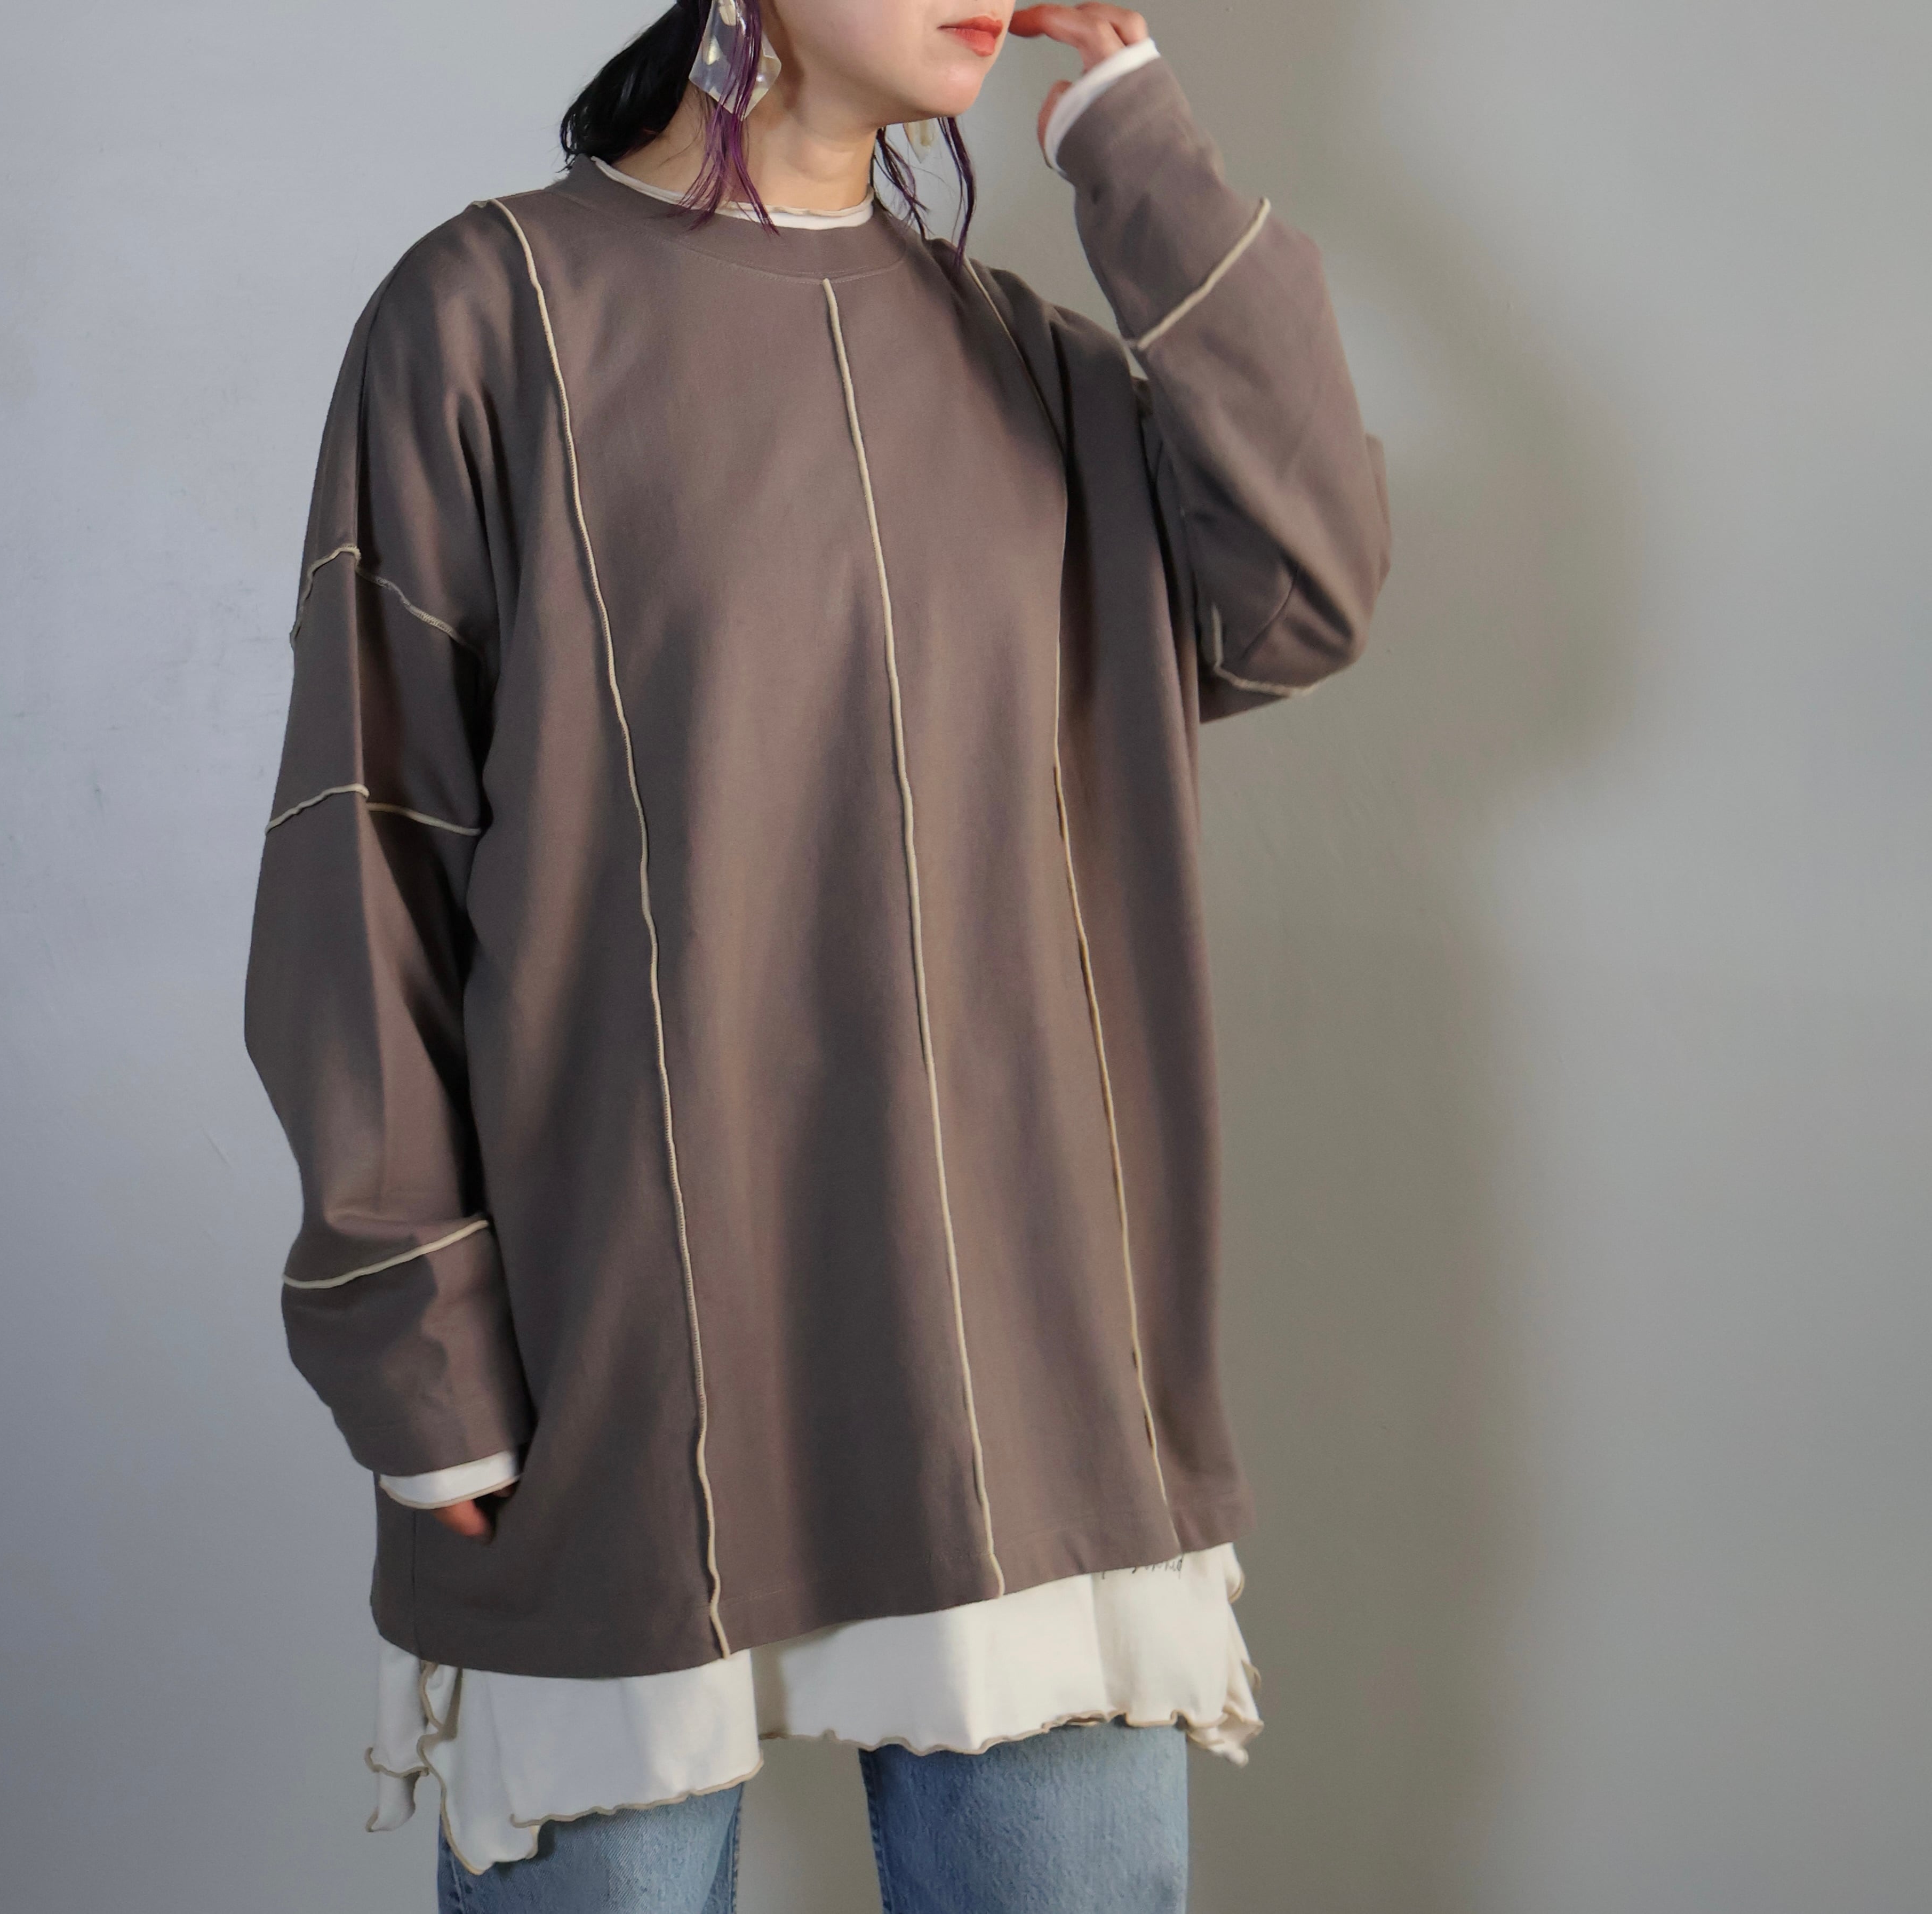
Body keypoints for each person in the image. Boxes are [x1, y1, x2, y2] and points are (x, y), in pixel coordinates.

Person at [244, 2, 1391, 1908]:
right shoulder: (494, 314)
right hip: (616, 1371)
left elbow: (1308, 584)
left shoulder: (1028, 364)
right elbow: (364, 839)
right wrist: (410, 1339)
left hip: (1021, 1373)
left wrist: (1127, 120)